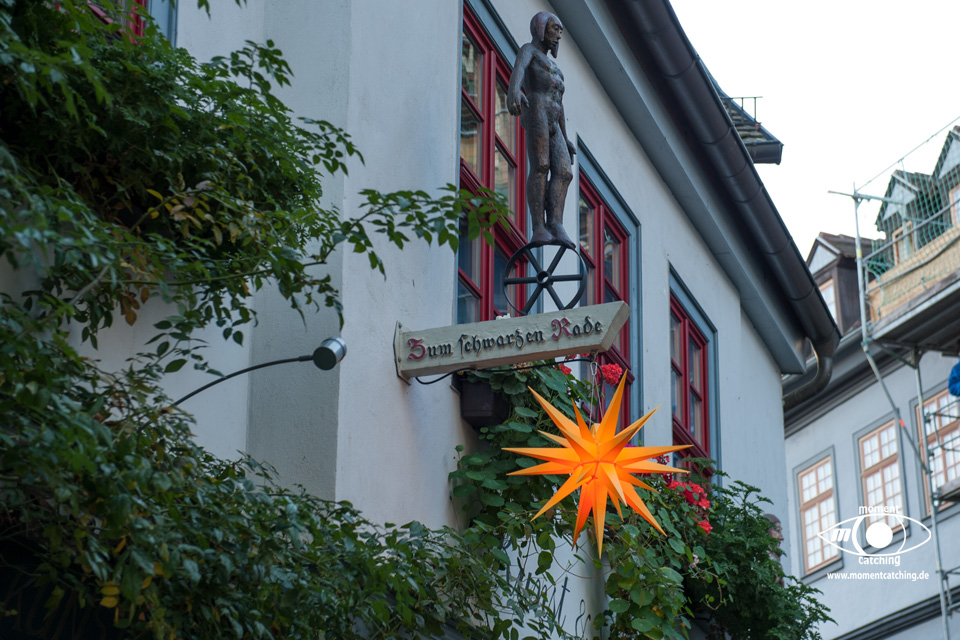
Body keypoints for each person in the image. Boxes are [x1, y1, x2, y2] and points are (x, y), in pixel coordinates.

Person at [507, 12, 576, 249]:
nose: (558, 35)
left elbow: (559, 103)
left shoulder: (555, 66)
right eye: (555, 29)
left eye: (560, 31)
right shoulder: (529, 50)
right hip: (536, 108)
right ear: (541, 28)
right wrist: (514, 91)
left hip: (554, 118)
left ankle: (555, 223)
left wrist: (566, 138)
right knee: (541, 165)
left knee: (564, 171)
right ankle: (538, 226)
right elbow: (519, 69)